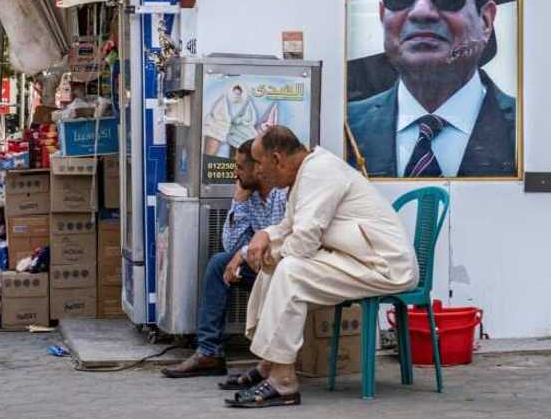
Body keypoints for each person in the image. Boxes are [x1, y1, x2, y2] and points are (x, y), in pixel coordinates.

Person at [220, 127, 416, 408]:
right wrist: (266, 237)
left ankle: (284, 381)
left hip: (383, 265)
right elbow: (289, 227)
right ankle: (269, 364)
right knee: (274, 265)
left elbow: (303, 243)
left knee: (290, 270)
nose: (258, 172)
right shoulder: (305, 174)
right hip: (356, 257)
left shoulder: (319, 172)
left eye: (260, 163)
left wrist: (274, 250)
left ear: (277, 159)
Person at [347, 0, 516, 178]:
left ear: (486, 21)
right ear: (383, 16)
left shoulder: (532, 134)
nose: (422, 11)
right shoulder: (342, 130)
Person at [161, 140, 288, 378]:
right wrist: (238, 202)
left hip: (285, 267)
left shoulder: (282, 194)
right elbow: (231, 245)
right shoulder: (248, 195)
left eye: (240, 167)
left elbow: (281, 239)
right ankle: (209, 352)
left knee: (227, 261)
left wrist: (242, 254)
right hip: (260, 266)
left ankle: (271, 361)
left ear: (257, 168)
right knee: (220, 262)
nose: (235, 173)